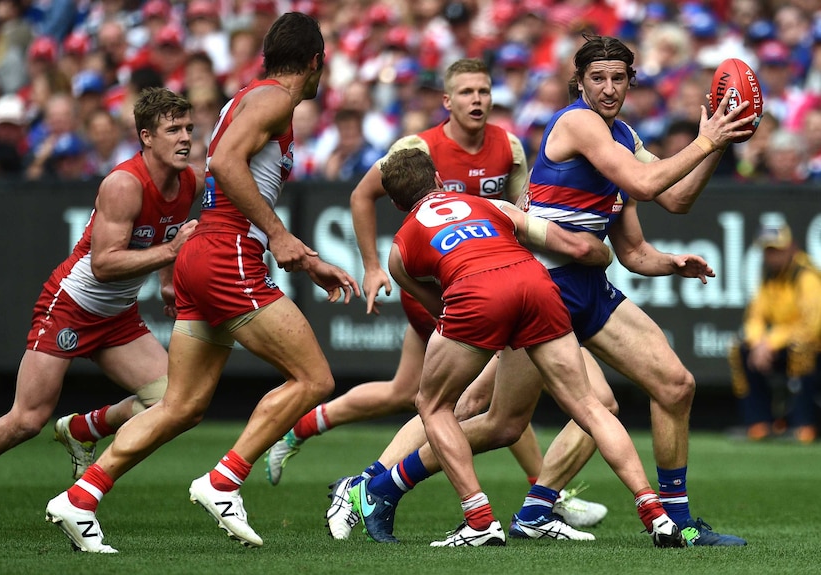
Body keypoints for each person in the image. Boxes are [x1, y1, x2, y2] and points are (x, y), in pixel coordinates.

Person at [44, 12, 360, 554]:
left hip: (205, 254)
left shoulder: (250, 96)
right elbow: (227, 164)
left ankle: (80, 498)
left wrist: (302, 257)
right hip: (227, 253)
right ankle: (224, 481)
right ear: (315, 62)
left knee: (181, 405)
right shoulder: (277, 100)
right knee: (314, 379)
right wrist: (280, 235)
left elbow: (226, 171)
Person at [264, 58, 607, 534]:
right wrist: (369, 266)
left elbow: (519, 208)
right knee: (464, 404)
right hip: (447, 291)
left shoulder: (507, 146)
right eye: (466, 92)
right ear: (448, 101)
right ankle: (534, 499)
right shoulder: (416, 148)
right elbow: (364, 196)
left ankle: (353, 472)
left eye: (484, 91)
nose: (478, 100)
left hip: (498, 284)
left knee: (434, 398)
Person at [351, 147, 684, 548]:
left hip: (476, 297)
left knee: (434, 405)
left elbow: (440, 309)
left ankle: (477, 519)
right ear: (439, 179)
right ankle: (654, 512)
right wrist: (604, 252)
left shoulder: (399, 251)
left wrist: (490, 331)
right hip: (536, 284)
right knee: (590, 406)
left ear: (394, 202)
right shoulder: (491, 205)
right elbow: (572, 245)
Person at [504, 34, 753, 545]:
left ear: (631, 81)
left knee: (675, 385)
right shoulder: (578, 123)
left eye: (619, 77)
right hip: (540, 286)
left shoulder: (622, 137)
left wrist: (718, 143)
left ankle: (676, 522)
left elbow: (666, 209)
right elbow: (642, 184)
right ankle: (376, 485)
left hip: (586, 286)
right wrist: (706, 141)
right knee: (495, 423)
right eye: (598, 77)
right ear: (579, 82)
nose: (609, 87)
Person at [0, 87, 202, 531]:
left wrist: (168, 285)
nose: (186, 138)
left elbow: (171, 235)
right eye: (174, 130)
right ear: (146, 136)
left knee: (176, 402)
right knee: (26, 420)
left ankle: (84, 429)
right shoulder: (123, 184)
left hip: (118, 317)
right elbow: (105, 264)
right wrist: (170, 254)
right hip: (71, 306)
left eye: (188, 128)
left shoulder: (188, 181)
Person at [730, 220, 821, 443]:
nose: (772, 256)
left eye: (777, 250)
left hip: (814, 348)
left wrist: (770, 342)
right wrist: (758, 342)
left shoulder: (805, 276)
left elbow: (812, 325)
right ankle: (759, 423)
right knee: (741, 349)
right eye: (768, 251)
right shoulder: (769, 277)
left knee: (801, 348)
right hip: (783, 346)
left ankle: (804, 425)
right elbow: (755, 316)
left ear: (792, 248)